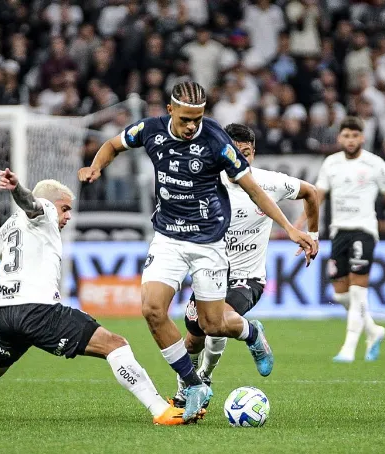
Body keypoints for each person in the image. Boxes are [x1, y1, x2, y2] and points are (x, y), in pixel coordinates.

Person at [78, 81, 317, 421]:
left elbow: (253, 189)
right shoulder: (150, 130)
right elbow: (113, 144)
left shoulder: (217, 140)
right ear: (170, 110)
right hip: (168, 239)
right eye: (186, 118)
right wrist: (96, 166)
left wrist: (291, 228)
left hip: (208, 244)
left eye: (198, 118)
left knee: (213, 325)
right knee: (152, 310)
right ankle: (193, 384)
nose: (193, 126)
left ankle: (251, 333)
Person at [0, 168, 197, 426]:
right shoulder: (43, 210)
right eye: (65, 209)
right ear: (51, 205)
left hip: (3, 312)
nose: (68, 216)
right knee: (115, 344)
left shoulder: (10, 227)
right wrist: (17, 187)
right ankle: (161, 410)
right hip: (37, 310)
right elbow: (31, 203)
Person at [171, 123, 320, 407]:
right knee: (193, 340)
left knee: (216, 323)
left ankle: (238, 346)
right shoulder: (203, 183)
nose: (241, 159)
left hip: (246, 278)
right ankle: (195, 382)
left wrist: (311, 235)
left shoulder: (269, 183)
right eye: (234, 153)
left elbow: (311, 193)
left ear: (254, 153)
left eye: (247, 153)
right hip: (208, 274)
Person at [299, 116, 385, 362]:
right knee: (340, 294)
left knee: (358, 292)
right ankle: (374, 330)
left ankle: (348, 348)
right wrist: (298, 225)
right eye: (346, 136)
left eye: (355, 136)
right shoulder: (331, 163)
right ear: (340, 138)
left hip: (364, 230)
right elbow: (318, 197)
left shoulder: (375, 164)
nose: (350, 140)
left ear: (362, 137)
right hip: (339, 231)